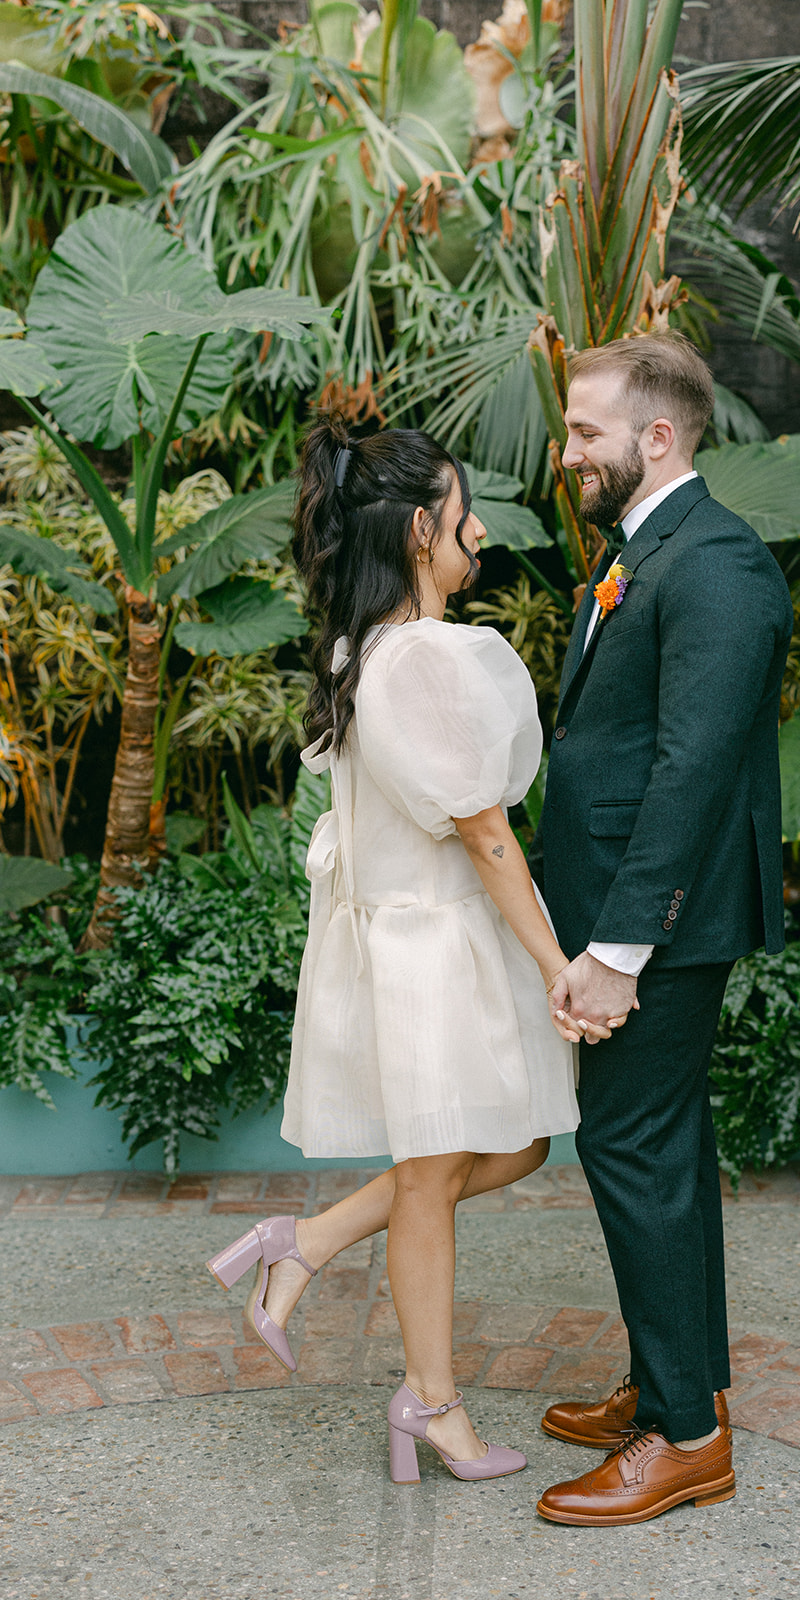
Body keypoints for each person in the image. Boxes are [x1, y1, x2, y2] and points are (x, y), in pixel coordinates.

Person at [207, 421, 587, 1485]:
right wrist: (556, 964)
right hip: (434, 950)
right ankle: (431, 1403)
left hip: (408, 940)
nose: (480, 530)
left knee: (513, 1145)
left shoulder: (363, 648)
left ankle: (306, 1244)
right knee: (437, 1177)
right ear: (422, 529)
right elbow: (486, 832)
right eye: (463, 510)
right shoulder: (422, 656)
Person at [529, 332, 794, 1526]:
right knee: (663, 1149)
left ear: (657, 434)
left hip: (661, 928)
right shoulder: (644, 551)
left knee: (631, 1146)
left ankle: (684, 1438)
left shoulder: (717, 562)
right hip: (633, 913)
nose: (565, 451)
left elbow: (692, 769)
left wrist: (616, 950)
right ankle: (672, 1381)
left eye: (584, 430)